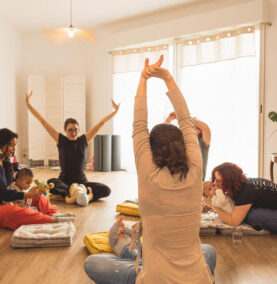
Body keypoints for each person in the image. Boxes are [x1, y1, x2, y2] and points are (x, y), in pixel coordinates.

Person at [84, 55, 215, 284]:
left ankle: (131, 252)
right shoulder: (196, 170)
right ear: (184, 146)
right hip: (198, 279)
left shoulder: (149, 175)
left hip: (155, 279)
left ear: (152, 152)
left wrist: (143, 79)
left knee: (93, 264)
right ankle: (136, 254)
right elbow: (185, 119)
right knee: (208, 252)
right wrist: (168, 78)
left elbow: (139, 125)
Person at [0, 128, 74, 230]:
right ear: (0, 144)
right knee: (13, 212)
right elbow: (2, 193)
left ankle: (54, 215)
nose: (13, 149)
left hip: (2, 201)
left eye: (14, 145)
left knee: (39, 197)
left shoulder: (4, 161)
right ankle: (50, 220)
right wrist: (27, 194)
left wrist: (32, 191)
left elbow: (11, 186)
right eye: (11, 145)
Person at [25, 91, 119, 202]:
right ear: (65, 130)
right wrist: (28, 104)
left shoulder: (83, 140)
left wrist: (115, 111)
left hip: (82, 183)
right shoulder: (61, 140)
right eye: (70, 130)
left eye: (75, 130)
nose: (73, 132)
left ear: (78, 130)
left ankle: (74, 195)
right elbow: (43, 121)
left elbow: (101, 123)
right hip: (64, 182)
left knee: (106, 190)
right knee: (51, 182)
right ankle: (78, 194)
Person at [204, 162, 277, 234]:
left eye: (218, 181)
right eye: (215, 180)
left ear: (229, 180)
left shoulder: (245, 192)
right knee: (243, 212)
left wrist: (213, 206)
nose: (215, 184)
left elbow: (234, 222)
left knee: (250, 216)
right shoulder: (242, 184)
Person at [165, 112, 211, 181]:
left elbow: (205, 128)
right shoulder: (180, 143)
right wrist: (168, 119)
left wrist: (181, 116)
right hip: (179, 181)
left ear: (199, 131)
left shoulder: (202, 141)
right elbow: (164, 136)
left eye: (193, 126)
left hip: (196, 182)